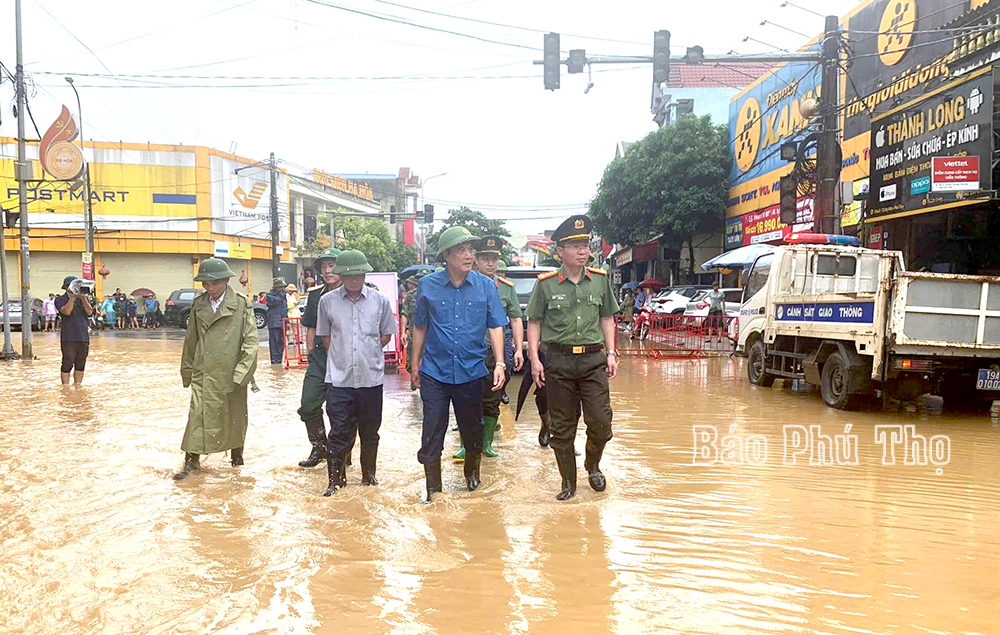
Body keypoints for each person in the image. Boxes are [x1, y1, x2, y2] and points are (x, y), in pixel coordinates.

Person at [526, 215, 620, 501]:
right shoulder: (546, 284)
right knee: (562, 427)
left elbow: (607, 317)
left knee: (601, 423)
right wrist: (534, 359)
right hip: (559, 362)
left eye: (585, 245)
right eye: (575, 246)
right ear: (560, 251)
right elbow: (534, 321)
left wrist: (612, 352)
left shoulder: (600, 281)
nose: (583, 251)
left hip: (593, 361)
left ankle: (592, 464)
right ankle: (568, 482)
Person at [411, 227, 507, 502]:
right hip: (434, 372)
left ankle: (471, 474)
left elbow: (495, 326)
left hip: (471, 371)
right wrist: (414, 364)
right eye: (462, 250)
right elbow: (420, 326)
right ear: (447, 255)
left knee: (472, 428)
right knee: (432, 429)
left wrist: (499, 363)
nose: (469, 255)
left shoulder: (486, 286)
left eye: (471, 250)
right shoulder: (428, 285)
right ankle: (433, 489)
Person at [315, 250, 397, 496]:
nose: (354, 280)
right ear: (340, 275)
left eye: (359, 275)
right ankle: (335, 481)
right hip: (339, 380)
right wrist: (343, 358)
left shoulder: (379, 301)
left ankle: (368, 476)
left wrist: (365, 353)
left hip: (370, 379)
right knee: (338, 431)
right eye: (349, 275)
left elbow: (385, 336)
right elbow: (327, 338)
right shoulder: (326, 302)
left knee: (370, 431)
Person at [174, 258, 259, 481]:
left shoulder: (241, 303)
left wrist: (242, 372)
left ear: (226, 281)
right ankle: (191, 461)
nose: (210, 289)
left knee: (235, 417)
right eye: (206, 284)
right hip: (204, 372)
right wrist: (187, 370)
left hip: (231, 371)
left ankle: (237, 460)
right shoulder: (199, 304)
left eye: (215, 284)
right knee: (197, 415)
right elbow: (190, 339)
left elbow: (250, 341)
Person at [454, 237, 523, 461]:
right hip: (468, 352)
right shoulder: (462, 285)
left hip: (496, 353)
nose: (491, 264)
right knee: (465, 401)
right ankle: (466, 445)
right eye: (485, 259)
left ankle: (486, 444)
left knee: (492, 398)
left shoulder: (506, 289)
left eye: (494, 259)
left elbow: (515, 318)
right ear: (476, 261)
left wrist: (519, 349)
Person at [296, 247, 342, 468]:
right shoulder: (316, 295)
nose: (327, 270)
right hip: (320, 358)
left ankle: (342, 452)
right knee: (308, 405)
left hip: (345, 358)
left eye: (331, 265)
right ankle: (319, 448)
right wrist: (311, 354)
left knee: (342, 409)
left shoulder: (354, 291)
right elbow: (310, 327)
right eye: (323, 267)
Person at [54, 276, 94, 385]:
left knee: (81, 363)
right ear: (66, 288)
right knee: (67, 362)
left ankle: (77, 386)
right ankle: (65, 387)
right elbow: (66, 312)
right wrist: (72, 298)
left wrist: (83, 298)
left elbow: (90, 312)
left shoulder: (84, 300)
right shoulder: (60, 299)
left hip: (83, 337)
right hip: (68, 337)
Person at [265, 278, 288, 364]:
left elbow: (285, 309)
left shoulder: (283, 297)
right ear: (276, 287)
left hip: (283, 322)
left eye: (283, 287)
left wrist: (287, 322)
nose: (283, 289)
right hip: (274, 323)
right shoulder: (270, 296)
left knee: (281, 342)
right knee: (274, 342)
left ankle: (279, 360)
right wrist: (283, 294)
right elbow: (276, 301)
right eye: (281, 287)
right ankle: (274, 361)